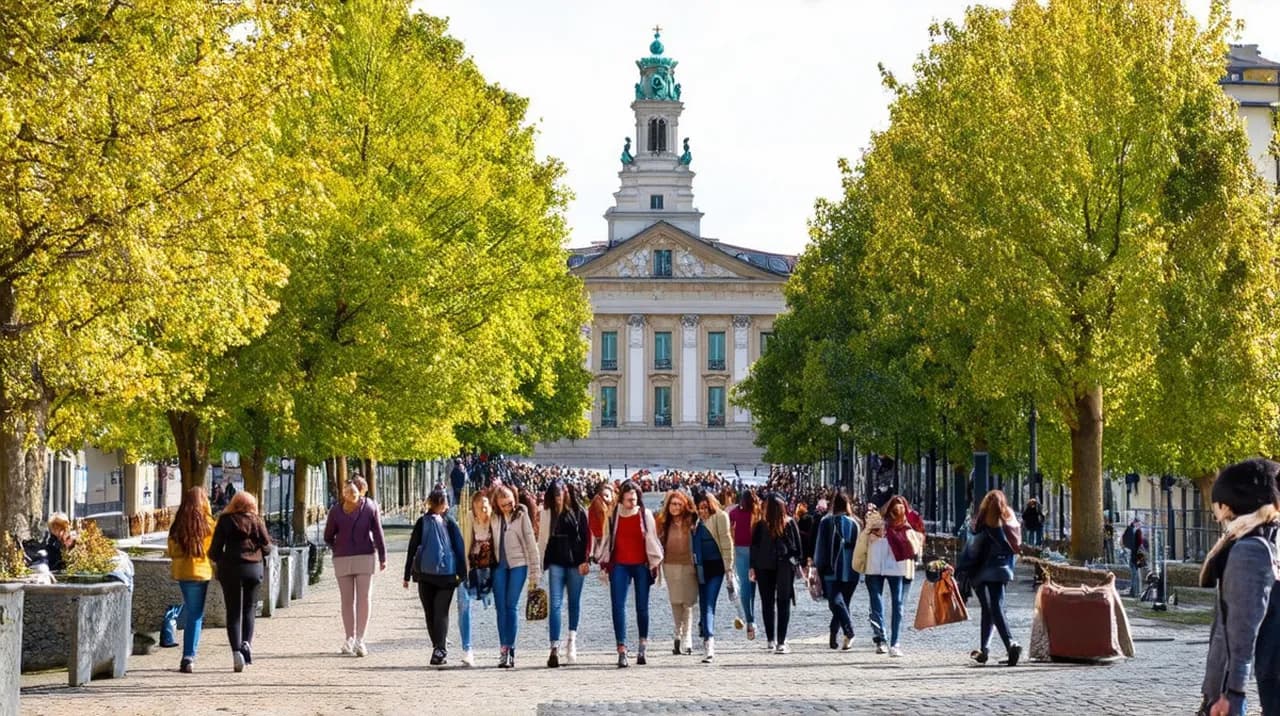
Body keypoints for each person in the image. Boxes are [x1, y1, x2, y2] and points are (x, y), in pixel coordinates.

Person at [1199, 458, 1280, 716]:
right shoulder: (1266, 541)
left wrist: (1231, 692)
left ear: (1226, 506)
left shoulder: (1250, 549)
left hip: (1234, 689)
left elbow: (1241, 630)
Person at [593, 480, 664, 668]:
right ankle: (622, 649)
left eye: (635, 499)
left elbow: (652, 539)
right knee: (618, 606)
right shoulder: (613, 515)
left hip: (641, 564)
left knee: (642, 607)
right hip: (620, 565)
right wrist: (603, 562)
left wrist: (655, 562)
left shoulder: (645, 514)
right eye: (628, 500)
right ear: (621, 500)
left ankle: (642, 645)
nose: (632, 503)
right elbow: (607, 539)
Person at [208, 491, 272, 672]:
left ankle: (236, 652)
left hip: (231, 569)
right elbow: (267, 546)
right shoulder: (257, 521)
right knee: (250, 609)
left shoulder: (225, 521)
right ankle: (246, 643)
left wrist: (220, 560)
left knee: (233, 612)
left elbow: (214, 550)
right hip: (254, 569)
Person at [958, 490, 1022, 666]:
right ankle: (987, 648)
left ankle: (1008, 644)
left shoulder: (982, 520)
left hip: (981, 569)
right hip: (1003, 569)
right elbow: (1017, 545)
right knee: (995, 606)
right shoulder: (1010, 519)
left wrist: (962, 568)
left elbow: (973, 547)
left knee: (990, 609)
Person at [324, 479, 387, 657]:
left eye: (353, 493)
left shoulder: (370, 508)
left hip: (364, 556)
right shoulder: (336, 511)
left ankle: (359, 639)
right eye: (347, 493)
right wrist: (337, 547)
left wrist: (382, 556)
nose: (350, 496)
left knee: (363, 598)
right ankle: (350, 638)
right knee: (347, 600)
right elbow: (328, 535)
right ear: (343, 494)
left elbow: (378, 532)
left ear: (360, 493)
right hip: (343, 558)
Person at [403, 489, 466, 666]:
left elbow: (412, 548)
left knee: (432, 613)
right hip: (446, 575)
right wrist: (462, 573)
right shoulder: (449, 522)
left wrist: (407, 574)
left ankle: (439, 648)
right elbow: (459, 548)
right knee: (439, 612)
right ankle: (439, 648)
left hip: (426, 575)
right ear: (444, 504)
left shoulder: (422, 522)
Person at [856, 495, 923, 657]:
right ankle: (893, 642)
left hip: (877, 568)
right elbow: (916, 548)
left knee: (879, 603)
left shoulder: (875, 526)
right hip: (895, 569)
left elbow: (861, 544)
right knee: (897, 605)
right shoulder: (905, 529)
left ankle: (882, 639)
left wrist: (860, 563)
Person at [537, 480, 590, 667]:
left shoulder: (579, 511)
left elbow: (586, 537)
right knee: (555, 604)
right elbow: (542, 540)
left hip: (575, 562)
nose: (558, 500)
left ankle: (572, 639)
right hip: (555, 562)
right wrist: (539, 567)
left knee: (574, 602)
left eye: (560, 495)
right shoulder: (546, 513)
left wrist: (585, 560)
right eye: (555, 497)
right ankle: (554, 646)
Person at [167, 487, 216, 673]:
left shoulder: (178, 524)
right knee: (195, 614)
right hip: (201, 572)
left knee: (189, 608)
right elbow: (213, 549)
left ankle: (170, 629)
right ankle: (188, 656)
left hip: (182, 573)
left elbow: (171, 551)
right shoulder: (209, 524)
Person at [492, 484, 540, 668]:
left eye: (510, 503)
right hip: (498, 566)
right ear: (497, 503)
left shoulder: (521, 514)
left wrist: (535, 572)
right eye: (503, 504)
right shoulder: (493, 516)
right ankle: (503, 648)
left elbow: (530, 541)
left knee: (511, 606)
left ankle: (510, 648)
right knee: (500, 608)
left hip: (519, 564)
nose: (507, 507)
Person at [749, 494, 803, 654]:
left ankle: (770, 640)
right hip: (784, 566)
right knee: (783, 602)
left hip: (763, 566)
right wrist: (796, 561)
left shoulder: (760, 525)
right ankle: (780, 641)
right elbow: (798, 548)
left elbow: (753, 547)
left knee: (767, 603)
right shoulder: (789, 523)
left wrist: (752, 567)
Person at [813, 489, 861, 651]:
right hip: (851, 569)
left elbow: (820, 547)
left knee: (837, 602)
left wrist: (817, 566)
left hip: (831, 568)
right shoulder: (855, 523)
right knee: (841, 603)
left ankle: (846, 632)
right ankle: (837, 633)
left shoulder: (827, 522)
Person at [693, 490, 733, 662]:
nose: (702, 511)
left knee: (709, 603)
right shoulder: (695, 521)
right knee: (702, 603)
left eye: (704, 507)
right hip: (700, 567)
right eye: (699, 508)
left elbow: (726, 541)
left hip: (716, 567)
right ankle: (704, 627)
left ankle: (709, 641)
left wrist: (729, 568)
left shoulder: (720, 517)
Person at [657, 490, 698, 656]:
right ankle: (677, 633)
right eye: (673, 504)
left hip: (688, 564)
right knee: (675, 600)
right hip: (670, 564)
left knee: (688, 601)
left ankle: (687, 636)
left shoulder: (691, 520)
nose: (675, 507)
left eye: (679, 504)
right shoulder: (663, 522)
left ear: (684, 505)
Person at [457, 489, 496, 667]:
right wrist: (464, 572)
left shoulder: (496, 519)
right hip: (472, 567)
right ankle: (467, 649)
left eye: (485, 506)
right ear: (473, 507)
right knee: (464, 605)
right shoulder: (469, 518)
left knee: (502, 606)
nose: (483, 510)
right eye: (479, 507)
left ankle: (505, 647)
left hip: (492, 569)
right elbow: (465, 545)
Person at [729, 490, 760, 640]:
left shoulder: (735, 512)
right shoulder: (758, 512)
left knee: (745, 587)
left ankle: (750, 620)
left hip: (740, 550)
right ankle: (750, 617)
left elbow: (729, 529)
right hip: (756, 550)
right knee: (752, 587)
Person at [588, 482, 615, 557]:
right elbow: (602, 517)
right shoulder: (598, 501)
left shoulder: (601, 500)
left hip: (599, 530)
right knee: (603, 553)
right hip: (599, 530)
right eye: (606, 495)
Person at [1123, 516, 1147, 598]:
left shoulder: (1131, 530)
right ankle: (1135, 592)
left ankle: (1134, 591)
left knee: (1134, 575)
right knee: (1135, 575)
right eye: (1138, 523)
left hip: (1133, 556)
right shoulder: (1137, 532)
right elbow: (1140, 544)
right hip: (1135, 557)